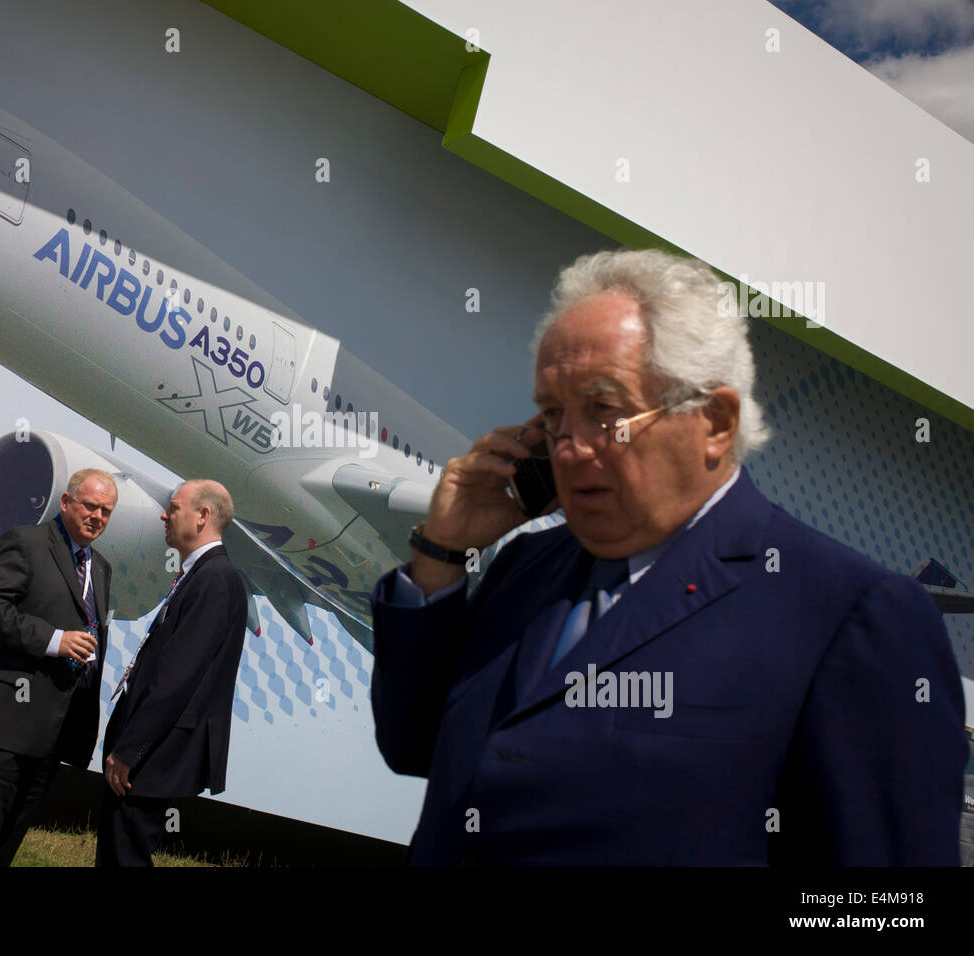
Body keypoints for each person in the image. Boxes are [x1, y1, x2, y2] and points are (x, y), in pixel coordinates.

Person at [370, 248, 967, 865]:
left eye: (604, 411)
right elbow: (412, 747)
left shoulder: (849, 615)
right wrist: (441, 552)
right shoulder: (524, 568)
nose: (568, 449)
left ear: (713, 421)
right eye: (553, 415)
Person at [0, 469, 117, 866]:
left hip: (52, 736)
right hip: (1, 725)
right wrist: (55, 641)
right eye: (90, 505)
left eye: (106, 511)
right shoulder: (26, 542)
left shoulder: (100, 568)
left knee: (2, 846)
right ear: (66, 502)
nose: (97, 516)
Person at [96, 479, 248, 866]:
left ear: (202, 516)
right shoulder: (202, 575)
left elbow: (177, 678)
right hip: (151, 749)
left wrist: (131, 749)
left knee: (124, 855)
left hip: (155, 753)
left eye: (174, 507)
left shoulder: (215, 579)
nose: (164, 514)